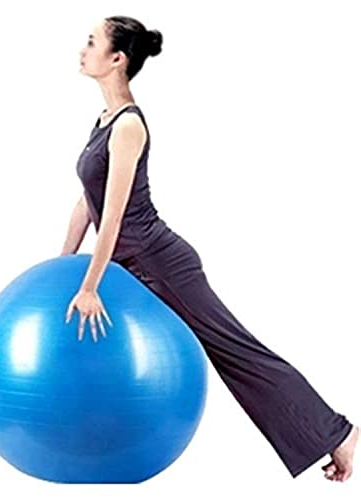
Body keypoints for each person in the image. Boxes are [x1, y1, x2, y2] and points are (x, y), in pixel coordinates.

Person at [61, 15, 358, 481]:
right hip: (131, 264)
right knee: (229, 354)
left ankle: (339, 433)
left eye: (92, 41)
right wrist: (62, 266)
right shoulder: (104, 121)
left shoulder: (129, 126)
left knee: (237, 354)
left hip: (159, 262)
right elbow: (88, 201)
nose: (83, 49)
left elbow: (112, 217)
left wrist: (89, 286)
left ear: (117, 58)